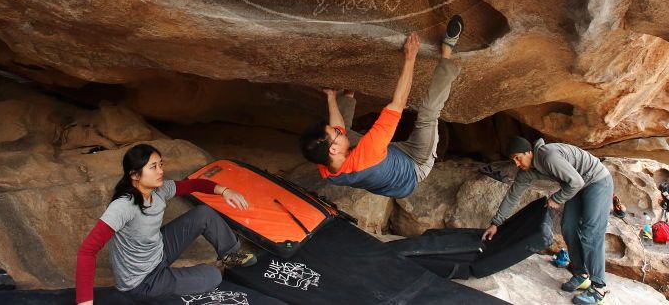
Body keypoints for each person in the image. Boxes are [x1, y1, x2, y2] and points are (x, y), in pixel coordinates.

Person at [298, 15, 464, 198]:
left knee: (347, 132)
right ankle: (447, 51)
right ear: (333, 150)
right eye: (335, 134)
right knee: (428, 113)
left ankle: (349, 92)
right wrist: (410, 58)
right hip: (415, 164)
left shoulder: (325, 165)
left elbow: (339, 129)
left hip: (385, 162)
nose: (338, 130)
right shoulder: (367, 152)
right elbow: (398, 103)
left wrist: (330, 97)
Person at [75, 144, 256, 304]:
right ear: (135, 175)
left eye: (160, 164)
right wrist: (85, 302)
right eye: (153, 167)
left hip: (158, 251)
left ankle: (230, 254)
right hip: (143, 281)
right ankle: (194, 275)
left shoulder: (160, 190)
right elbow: (87, 250)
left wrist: (225, 191)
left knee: (204, 213)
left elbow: (193, 185)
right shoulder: (124, 206)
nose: (160, 171)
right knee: (213, 276)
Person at [482, 136, 613, 305]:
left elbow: (576, 182)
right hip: (577, 186)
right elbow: (513, 195)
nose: (516, 163)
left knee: (591, 232)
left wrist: (556, 198)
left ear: (529, 153)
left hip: (596, 181)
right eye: (512, 160)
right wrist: (496, 223)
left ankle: (599, 287)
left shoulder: (548, 156)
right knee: (568, 227)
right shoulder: (526, 171)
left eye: (518, 158)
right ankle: (581, 274)